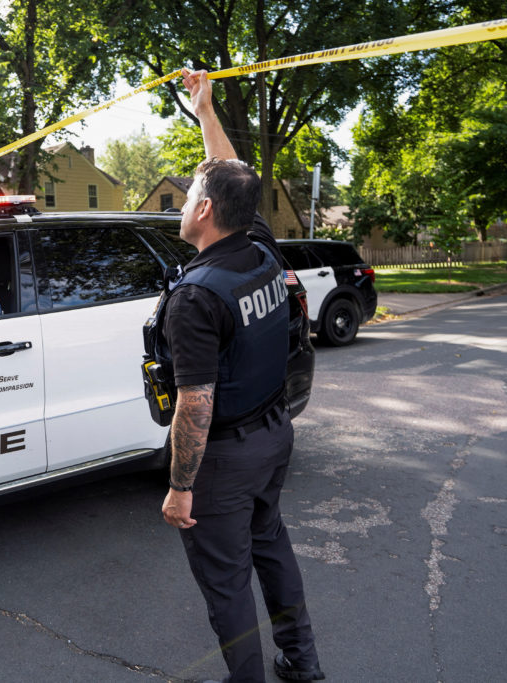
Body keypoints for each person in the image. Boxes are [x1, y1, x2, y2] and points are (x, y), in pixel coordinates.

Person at [158, 68, 324, 683]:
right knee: (271, 547)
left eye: (186, 196)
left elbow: (195, 405)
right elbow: (233, 179)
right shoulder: (258, 249)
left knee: (226, 585)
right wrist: (204, 111)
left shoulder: (195, 296)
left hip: (225, 460)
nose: (180, 204)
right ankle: (302, 663)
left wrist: (180, 488)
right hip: (275, 434)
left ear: (204, 210)